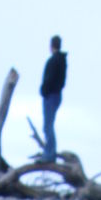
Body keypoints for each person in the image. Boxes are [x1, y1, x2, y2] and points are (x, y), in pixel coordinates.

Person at [39, 35, 67, 163]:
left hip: (51, 96)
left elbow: (49, 80)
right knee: (48, 125)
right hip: (57, 95)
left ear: (51, 46)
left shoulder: (54, 61)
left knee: (47, 126)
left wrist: (44, 91)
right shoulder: (62, 60)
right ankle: (49, 152)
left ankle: (50, 155)